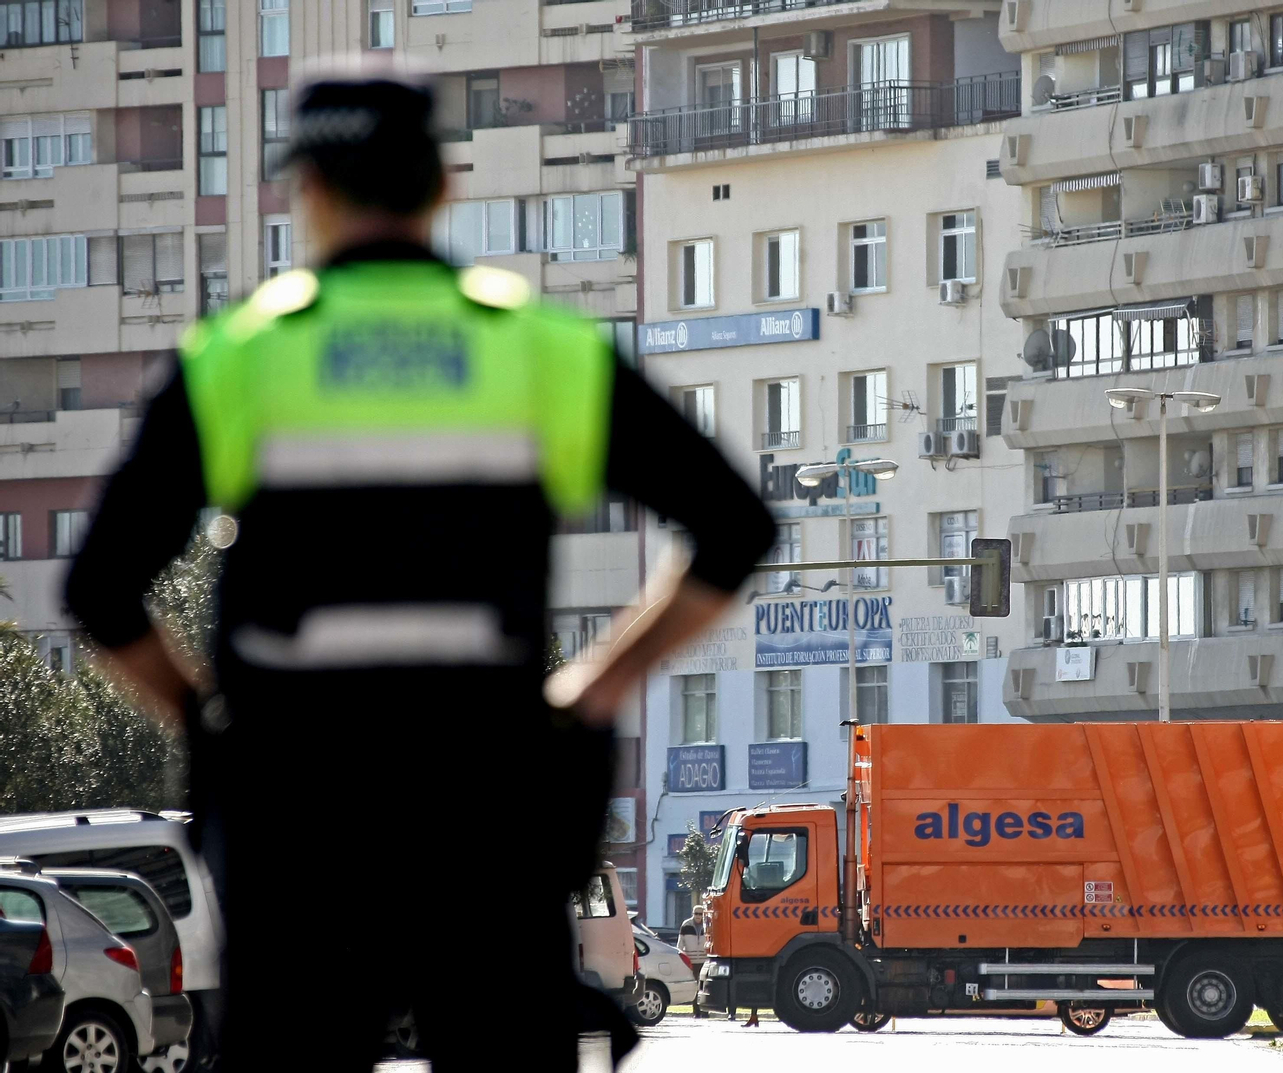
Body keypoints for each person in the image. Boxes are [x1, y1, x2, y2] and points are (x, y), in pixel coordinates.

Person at [63, 69, 774, 1073]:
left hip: (294, 815)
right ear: (444, 185)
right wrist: (593, 683)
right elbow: (734, 523)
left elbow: (96, 588)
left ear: (305, 190)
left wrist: (214, 718)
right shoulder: (540, 348)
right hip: (487, 812)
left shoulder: (236, 357)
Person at [678, 904, 707, 1017]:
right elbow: (680, 943)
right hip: (691, 960)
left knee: (703, 986)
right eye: (696, 913)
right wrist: (681, 957)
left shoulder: (708, 925)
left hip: (704, 960)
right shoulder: (686, 925)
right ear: (693, 914)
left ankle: (704, 1011)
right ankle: (696, 1011)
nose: (698, 916)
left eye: (700, 914)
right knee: (694, 986)